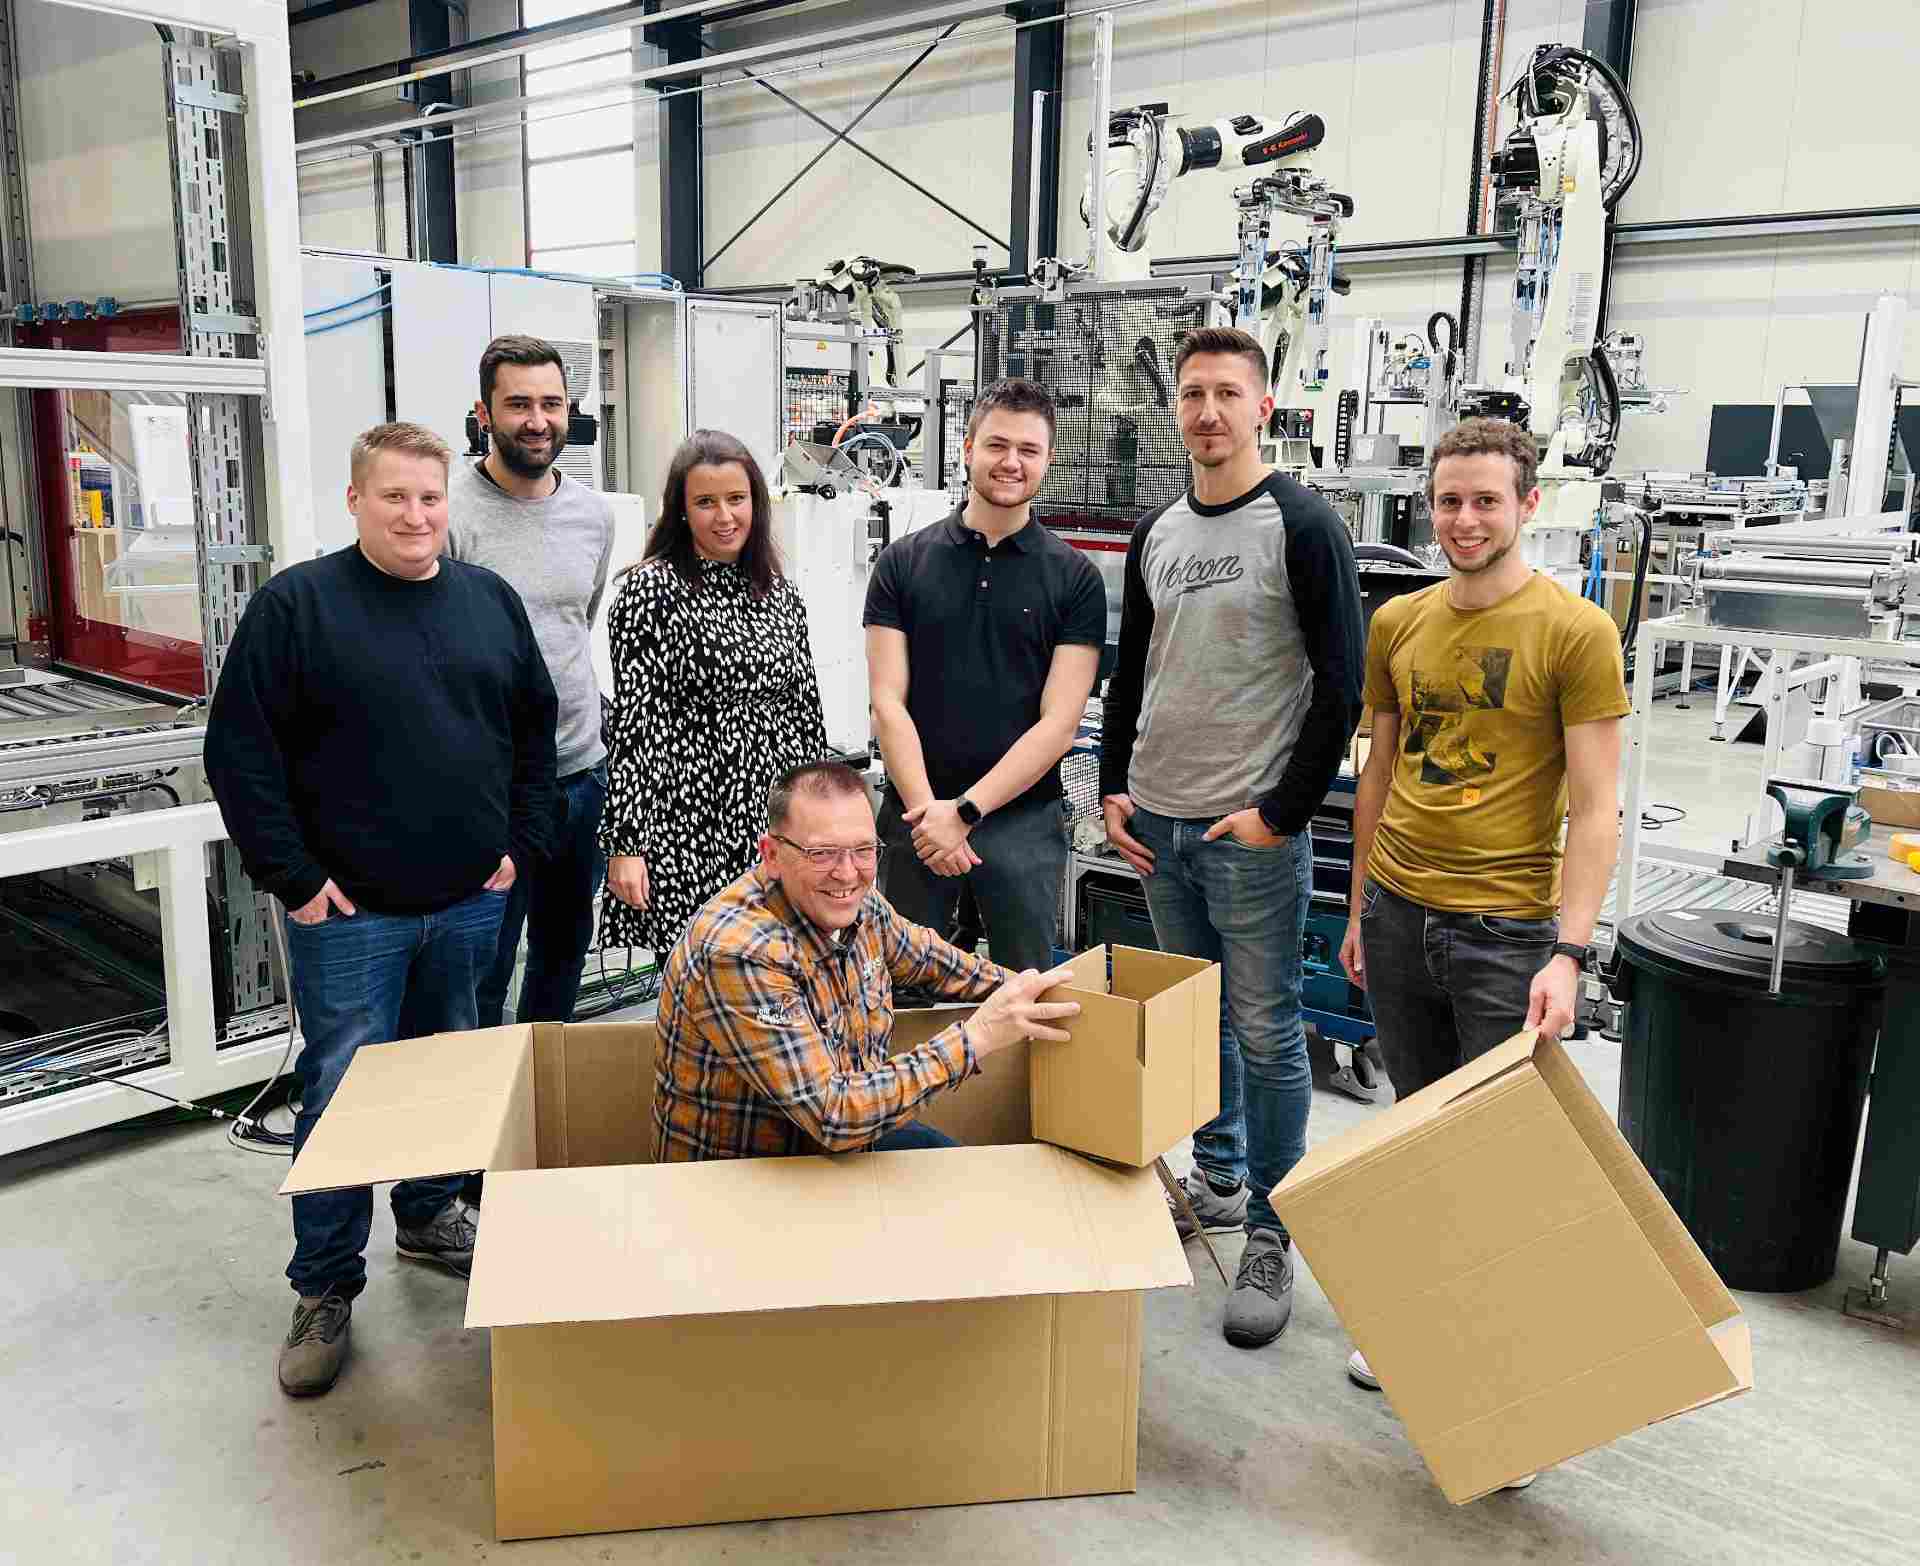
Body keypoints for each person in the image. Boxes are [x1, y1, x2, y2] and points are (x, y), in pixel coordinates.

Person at [204, 422, 557, 1399]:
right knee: (339, 1099)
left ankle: (430, 1212)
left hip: (470, 903)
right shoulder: (298, 609)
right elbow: (241, 752)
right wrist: (295, 878)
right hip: (348, 915)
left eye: (431, 498)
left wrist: (517, 849)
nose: (416, 516)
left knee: (453, 1077)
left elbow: (536, 731)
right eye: (395, 497)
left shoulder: (488, 603)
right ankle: (323, 1286)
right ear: (355, 500)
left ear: (451, 503)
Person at [1339, 416, 1627, 1405]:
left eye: (1486, 501)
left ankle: (1510, 1375)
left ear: (1528, 507)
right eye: (1450, 500)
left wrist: (1572, 953)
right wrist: (1359, 904)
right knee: (1418, 1133)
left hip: (1507, 932)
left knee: (1502, 1155)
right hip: (1398, 912)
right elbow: (1378, 771)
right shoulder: (1399, 624)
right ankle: (1422, 1324)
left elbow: (1595, 808)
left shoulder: (1575, 632)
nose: (1464, 519)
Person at [1100, 325, 1365, 1350]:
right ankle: (1216, 1176)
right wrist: (1117, 789)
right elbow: (1136, 672)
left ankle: (1271, 1224)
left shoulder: (1301, 525)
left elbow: (1341, 688)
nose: (1207, 411)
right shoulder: (1158, 531)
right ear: (1177, 409)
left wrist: (1282, 814)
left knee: (1266, 1026)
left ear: (1264, 407)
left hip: (1247, 829)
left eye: (1227, 394)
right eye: (1193, 394)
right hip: (1159, 820)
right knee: (1200, 1019)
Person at [652, 761, 1083, 1162]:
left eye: (863, 850)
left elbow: (930, 960)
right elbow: (833, 1115)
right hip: (745, 1181)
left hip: (848, 1139)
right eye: (821, 853)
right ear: (771, 855)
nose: (847, 873)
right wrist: (980, 1035)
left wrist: (1033, 989)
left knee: (970, 1179)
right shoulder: (739, 952)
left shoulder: (858, 903)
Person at [864, 378, 1105, 974]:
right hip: (916, 818)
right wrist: (928, 816)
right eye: (998, 445)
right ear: (968, 446)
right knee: (902, 994)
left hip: (1021, 825)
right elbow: (886, 701)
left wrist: (965, 813)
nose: (1011, 462)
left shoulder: (1074, 579)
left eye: (1029, 450)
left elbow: (1059, 723)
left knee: (1026, 994)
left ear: (1047, 461)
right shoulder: (903, 562)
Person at [598, 431, 828, 957]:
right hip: (689, 820)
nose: (724, 516)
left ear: (757, 503)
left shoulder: (778, 591)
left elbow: (805, 712)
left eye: (736, 499)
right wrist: (626, 846)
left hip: (770, 817)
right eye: (705, 502)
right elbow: (638, 724)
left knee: (779, 969)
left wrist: (821, 818)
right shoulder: (648, 590)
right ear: (680, 511)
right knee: (705, 976)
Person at [448, 335, 615, 1030]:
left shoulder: (593, 516)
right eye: (518, 404)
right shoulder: (450, 513)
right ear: (484, 413)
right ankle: (487, 1115)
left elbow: (579, 624)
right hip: (492, 789)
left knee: (560, 961)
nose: (537, 420)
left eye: (551, 403)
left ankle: (547, 1106)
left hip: (582, 773)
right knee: (483, 972)